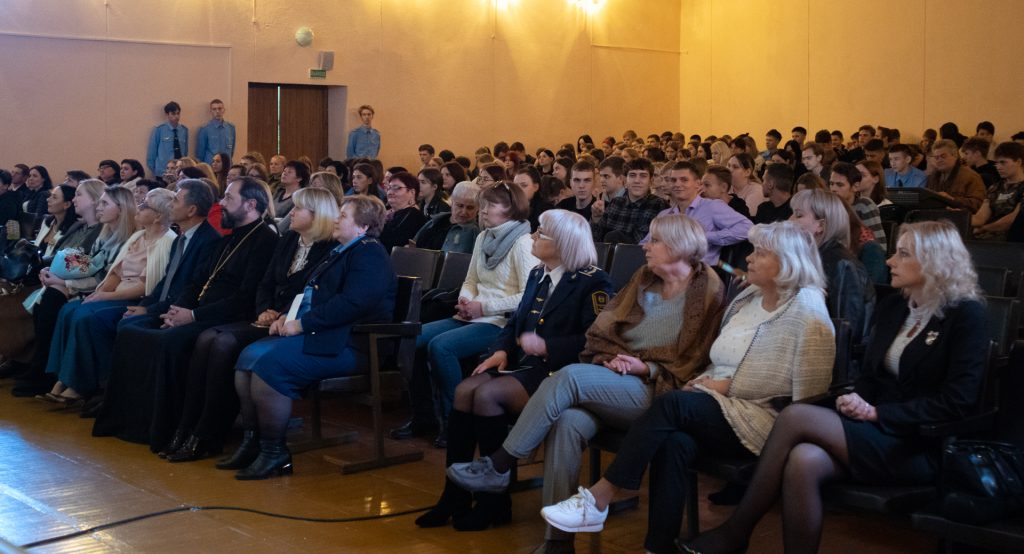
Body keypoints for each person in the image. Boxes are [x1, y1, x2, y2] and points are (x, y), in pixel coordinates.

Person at [683, 220, 986, 554]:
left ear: (934, 262)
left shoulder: (966, 316)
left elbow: (958, 401)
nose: (889, 261)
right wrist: (856, 399)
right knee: (803, 460)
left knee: (796, 416)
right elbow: (871, 376)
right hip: (875, 430)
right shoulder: (895, 307)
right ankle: (742, 535)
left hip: (919, 443)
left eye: (903, 254)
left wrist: (877, 413)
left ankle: (736, 531)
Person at [540, 221, 835, 554]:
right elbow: (716, 356)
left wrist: (721, 386)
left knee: (671, 403)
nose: (748, 259)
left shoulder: (808, 311)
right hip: (716, 404)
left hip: (763, 422)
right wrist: (704, 380)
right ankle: (658, 547)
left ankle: (600, 497)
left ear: (788, 262)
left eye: (760, 253)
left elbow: (809, 397)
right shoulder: (748, 298)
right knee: (674, 442)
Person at [446, 215, 727, 552]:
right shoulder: (644, 278)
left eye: (654, 240)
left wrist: (646, 367)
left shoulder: (706, 289)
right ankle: (557, 543)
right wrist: (612, 357)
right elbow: (603, 330)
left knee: (568, 376)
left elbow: (697, 356)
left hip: (659, 391)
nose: (644, 245)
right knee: (566, 422)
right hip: (615, 376)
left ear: (679, 246)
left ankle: (501, 463)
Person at [416, 209, 613, 531]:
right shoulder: (538, 273)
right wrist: (500, 350)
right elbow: (515, 323)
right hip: (525, 365)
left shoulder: (593, 281)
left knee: (488, 395)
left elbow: (595, 337)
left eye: (540, 233)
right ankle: (454, 494)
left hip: (561, 372)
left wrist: (548, 346)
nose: (532, 237)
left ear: (562, 243)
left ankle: (495, 501)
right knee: (465, 390)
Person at [92, 177, 279, 452]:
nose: (221, 204)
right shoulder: (228, 239)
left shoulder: (265, 241)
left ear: (250, 205)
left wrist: (192, 316)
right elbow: (196, 282)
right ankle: (130, 420)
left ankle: (172, 426)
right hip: (197, 311)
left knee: (168, 341)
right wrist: (176, 311)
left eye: (228, 198)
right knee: (131, 331)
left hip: (225, 317)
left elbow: (245, 297)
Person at [222, 195, 395, 479]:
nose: (336, 219)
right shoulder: (343, 250)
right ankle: (253, 442)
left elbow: (353, 303)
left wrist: (302, 325)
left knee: (269, 367)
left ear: (363, 227)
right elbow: (309, 293)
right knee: (247, 359)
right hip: (326, 336)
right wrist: (285, 316)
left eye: (343, 216)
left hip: (352, 344)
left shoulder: (370, 253)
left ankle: (274, 452)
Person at [164, 188, 338, 462]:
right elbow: (265, 282)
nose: (291, 213)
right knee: (207, 340)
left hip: (289, 322)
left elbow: (310, 292)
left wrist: (279, 313)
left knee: (222, 342)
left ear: (318, 215)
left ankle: (210, 432)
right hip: (265, 317)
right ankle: (188, 427)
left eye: (298, 208)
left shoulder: (329, 249)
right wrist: (264, 309)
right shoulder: (289, 239)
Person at [401, 183, 538, 447]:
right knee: (412, 339)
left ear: (511, 209)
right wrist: (465, 299)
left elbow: (527, 297)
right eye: (483, 205)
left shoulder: (522, 243)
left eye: (490, 205)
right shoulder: (483, 237)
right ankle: (424, 416)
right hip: (472, 313)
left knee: (441, 346)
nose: (483, 211)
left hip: (500, 322)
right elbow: (471, 279)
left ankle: (456, 421)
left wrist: (483, 308)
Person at [43, 188, 177, 403]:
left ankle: (81, 384)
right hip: (114, 292)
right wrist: (100, 292)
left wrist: (100, 295)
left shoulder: (165, 241)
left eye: (145, 205)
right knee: (68, 310)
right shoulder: (134, 236)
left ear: (158, 216)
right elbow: (113, 273)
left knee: (84, 316)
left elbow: (146, 286)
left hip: (135, 298)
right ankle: (61, 377)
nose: (139, 207)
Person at [20, 186, 137, 398]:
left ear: (121, 209)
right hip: (89, 286)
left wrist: (65, 282)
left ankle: (58, 376)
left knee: (64, 306)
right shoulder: (103, 234)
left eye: (104, 203)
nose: (99, 207)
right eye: (99, 202)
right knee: (57, 302)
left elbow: (103, 278)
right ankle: (53, 374)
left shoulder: (126, 238)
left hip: (110, 291)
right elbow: (86, 265)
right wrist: (54, 272)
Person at [790, 189, 875, 344]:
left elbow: (847, 330)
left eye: (798, 215)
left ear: (820, 225)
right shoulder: (809, 258)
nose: (790, 220)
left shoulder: (842, 264)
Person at [640, 161, 751, 266]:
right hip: (666, 271)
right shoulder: (664, 215)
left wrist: (703, 237)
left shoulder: (712, 206)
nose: (677, 184)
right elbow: (643, 245)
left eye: (684, 180)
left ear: (698, 184)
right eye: (673, 180)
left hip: (701, 272)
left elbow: (747, 228)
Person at [591, 158, 668, 244]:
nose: (637, 181)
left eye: (643, 176)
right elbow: (596, 240)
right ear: (625, 180)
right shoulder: (615, 203)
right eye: (632, 175)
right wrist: (596, 219)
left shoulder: (659, 205)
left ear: (651, 181)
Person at [973, 142, 1024, 240]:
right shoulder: (995, 187)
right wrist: (961, 216)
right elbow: (980, 218)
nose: (998, 167)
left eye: (1003, 162)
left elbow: (1013, 220)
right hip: (987, 240)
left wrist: (984, 228)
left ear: (1018, 162)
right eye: (996, 163)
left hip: (1013, 242)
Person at [411, 181, 481, 253]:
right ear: (452, 202)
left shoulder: (475, 233)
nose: (464, 212)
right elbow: (413, 244)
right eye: (460, 206)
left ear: (478, 208)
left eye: (470, 208)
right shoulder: (436, 220)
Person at [830, 162, 886, 246]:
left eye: (840, 185)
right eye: (831, 184)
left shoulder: (864, 205)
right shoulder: (829, 207)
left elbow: (879, 244)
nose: (833, 189)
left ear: (855, 186)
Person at [925, 139, 985, 213]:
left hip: (959, 217)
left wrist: (952, 199)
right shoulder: (932, 177)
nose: (939, 160)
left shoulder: (971, 176)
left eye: (943, 156)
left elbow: (978, 204)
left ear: (955, 155)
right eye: (936, 157)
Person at [379, 171, 428, 252]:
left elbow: (391, 243)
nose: (390, 192)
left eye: (396, 188)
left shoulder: (414, 217)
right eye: (389, 188)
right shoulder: (390, 213)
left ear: (412, 192)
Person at [32, 185, 77, 258]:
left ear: (67, 204)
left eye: (54, 197)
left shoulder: (72, 230)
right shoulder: (47, 222)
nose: (48, 199)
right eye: (50, 196)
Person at [147, 101, 188, 176]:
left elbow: (185, 152)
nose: (177, 116)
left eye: (178, 113)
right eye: (173, 114)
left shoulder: (184, 130)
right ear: (167, 114)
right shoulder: (159, 129)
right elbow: (152, 152)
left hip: (179, 172)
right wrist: (155, 171)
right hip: (163, 171)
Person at [195, 99, 236, 164]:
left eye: (220, 108)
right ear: (211, 111)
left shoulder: (231, 128)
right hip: (211, 165)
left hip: (227, 165)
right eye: (214, 109)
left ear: (224, 110)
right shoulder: (205, 129)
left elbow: (232, 150)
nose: (217, 111)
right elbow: (200, 154)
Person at [516, 165, 554, 230]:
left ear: (536, 187)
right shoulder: (509, 207)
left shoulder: (546, 211)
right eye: (515, 186)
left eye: (524, 185)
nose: (518, 190)